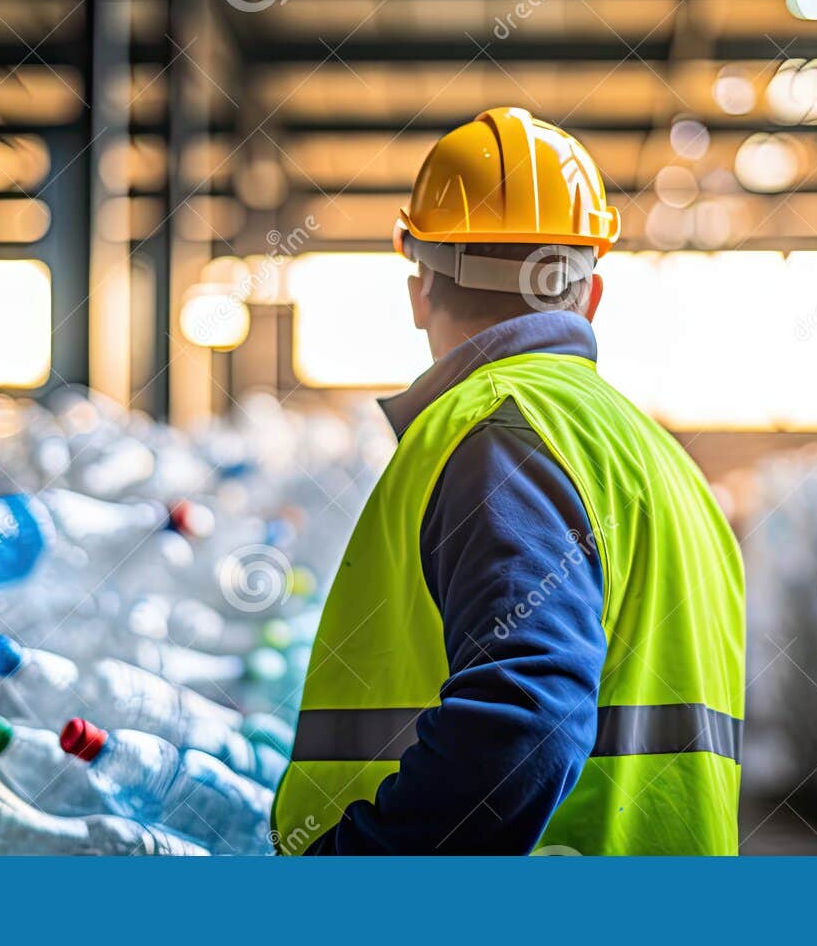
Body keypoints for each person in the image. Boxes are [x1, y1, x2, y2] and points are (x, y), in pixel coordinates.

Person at [271, 107, 745, 855]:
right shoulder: (659, 458)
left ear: (419, 284)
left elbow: (525, 720)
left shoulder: (498, 434)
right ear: (590, 293)